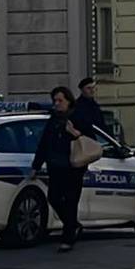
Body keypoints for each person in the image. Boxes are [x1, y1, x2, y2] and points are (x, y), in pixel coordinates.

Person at [31, 85, 96, 251]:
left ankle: (68, 239)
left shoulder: (78, 117)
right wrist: (36, 166)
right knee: (53, 198)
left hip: (73, 167)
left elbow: (91, 141)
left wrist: (74, 133)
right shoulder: (53, 120)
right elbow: (44, 144)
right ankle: (73, 225)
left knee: (71, 202)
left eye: (60, 100)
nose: (57, 104)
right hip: (55, 166)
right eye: (55, 101)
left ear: (68, 101)